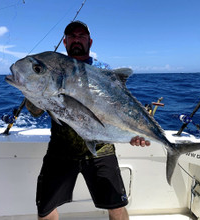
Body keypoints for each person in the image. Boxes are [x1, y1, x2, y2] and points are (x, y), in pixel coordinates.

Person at [26, 21, 150, 220]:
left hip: (102, 149)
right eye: (71, 36)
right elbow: (34, 112)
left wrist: (135, 134)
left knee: (117, 208)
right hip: (61, 150)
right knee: (45, 209)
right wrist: (34, 89)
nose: (76, 39)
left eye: (81, 35)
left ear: (90, 41)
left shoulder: (103, 70)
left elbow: (122, 110)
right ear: (64, 42)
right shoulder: (51, 68)